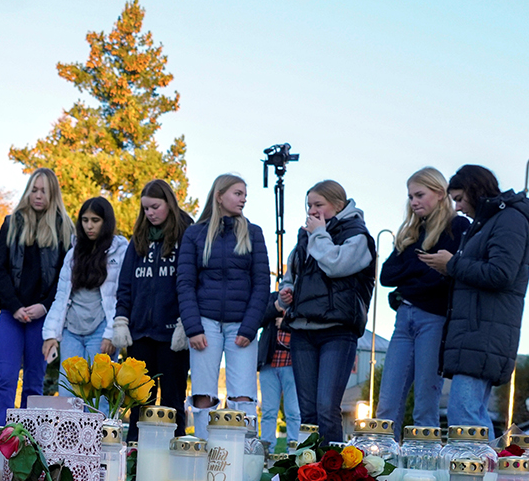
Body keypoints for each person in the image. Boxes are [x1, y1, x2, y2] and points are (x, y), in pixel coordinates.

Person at [418, 164, 529, 438]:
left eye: (459, 199)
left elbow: (501, 273)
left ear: (475, 191)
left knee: (464, 415)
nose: (458, 208)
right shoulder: (492, 221)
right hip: (478, 332)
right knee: (469, 415)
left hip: (482, 332)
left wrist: (452, 265)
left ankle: (484, 466)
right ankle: (489, 465)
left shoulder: (508, 219)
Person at [276, 180, 376, 446]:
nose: (312, 211)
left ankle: (333, 468)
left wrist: (319, 234)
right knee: (307, 413)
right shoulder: (305, 236)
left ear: (339, 205)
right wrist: (286, 294)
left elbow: (335, 264)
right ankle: (308, 466)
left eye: (318, 204)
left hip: (337, 331)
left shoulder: (357, 235)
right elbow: (290, 276)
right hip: (302, 330)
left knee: (326, 408)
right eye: (309, 205)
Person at [178, 173, 272, 434]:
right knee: (203, 394)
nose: (243, 199)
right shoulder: (194, 234)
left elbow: (261, 284)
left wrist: (250, 327)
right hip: (204, 323)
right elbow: (185, 283)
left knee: (244, 395)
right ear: (219, 196)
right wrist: (193, 328)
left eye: (244, 195)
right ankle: (203, 449)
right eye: (237, 193)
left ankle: (244, 450)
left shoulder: (253, 233)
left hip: (242, 325)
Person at [376, 168, 469, 428]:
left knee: (425, 404)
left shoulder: (458, 227)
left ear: (439, 193)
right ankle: (384, 453)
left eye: (419, 195)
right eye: (410, 197)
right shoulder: (412, 232)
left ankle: (424, 454)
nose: (414, 202)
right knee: (387, 404)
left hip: (434, 320)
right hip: (404, 319)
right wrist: (421, 268)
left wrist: (409, 279)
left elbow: (442, 278)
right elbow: (386, 275)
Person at [0, 168, 74, 425]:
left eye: (44, 191)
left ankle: (28, 438)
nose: (38, 195)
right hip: (12, 314)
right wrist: (14, 306)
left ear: (53, 194)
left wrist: (44, 306)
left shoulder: (64, 228)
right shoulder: (11, 223)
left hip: (43, 318)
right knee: (5, 377)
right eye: (34, 190)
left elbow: (65, 276)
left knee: (35, 381)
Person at [113, 179, 190, 431]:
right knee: (139, 401)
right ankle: (135, 450)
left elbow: (191, 282)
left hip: (173, 334)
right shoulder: (138, 239)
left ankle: (175, 449)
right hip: (140, 333)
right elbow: (125, 284)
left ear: (169, 203)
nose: (150, 213)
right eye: (145, 208)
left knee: (173, 401)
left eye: (155, 207)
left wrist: (186, 322)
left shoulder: (186, 235)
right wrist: (121, 319)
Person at [44, 196, 128, 392]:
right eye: (85, 220)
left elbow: (121, 297)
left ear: (106, 222)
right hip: (71, 331)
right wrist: (50, 334)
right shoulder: (73, 254)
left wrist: (111, 334)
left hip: (101, 329)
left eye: (95, 220)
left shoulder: (121, 252)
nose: (89, 226)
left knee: (100, 394)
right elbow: (61, 296)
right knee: (68, 392)